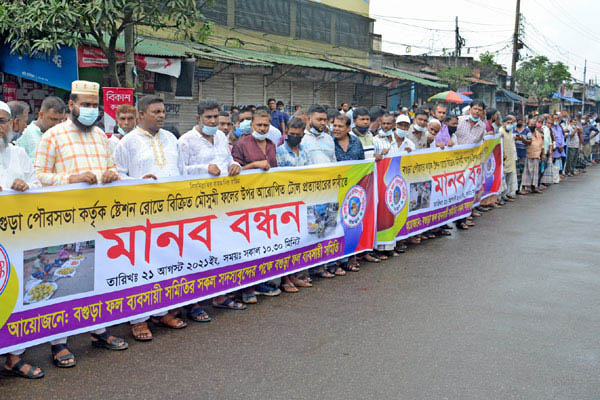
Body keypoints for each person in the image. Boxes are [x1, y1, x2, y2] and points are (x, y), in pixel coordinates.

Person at [34, 80, 127, 367]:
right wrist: (70, 179)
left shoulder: (101, 136)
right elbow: (38, 176)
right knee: (63, 279)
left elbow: (111, 168)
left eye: (94, 105)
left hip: (100, 217)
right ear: (71, 105)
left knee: (101, 274)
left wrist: (112, 175)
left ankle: (99, 330)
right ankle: (58, 342)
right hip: (65, 217)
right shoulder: (53, 136)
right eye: (85, 104)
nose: (90, 110)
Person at [114, 94, 188, 340]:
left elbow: (181, 172)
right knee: (141, 267)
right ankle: (139, 320)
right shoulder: (127, 142)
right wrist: (137, 182)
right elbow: (117, 176)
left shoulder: (171, 139)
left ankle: (162, 312)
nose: (162, 116)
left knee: (167, 263)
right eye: (156, 112)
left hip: (170, 213)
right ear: (141, 115)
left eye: (163, 112)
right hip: (141, 217)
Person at [178, 99, 246, 311]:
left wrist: (235, 165)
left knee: (220, 249)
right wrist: (204, 168)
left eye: (216, 116)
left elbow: (228, 161)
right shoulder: (185, 141)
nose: (213, 121)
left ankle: (219, 295)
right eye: (208, 117)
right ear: (198, 118)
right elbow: (180, 171)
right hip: (197, 206)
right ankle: (192, 303)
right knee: (196, 253)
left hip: (222, 204)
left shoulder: (221, 137)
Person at [0, 100, 46, 379]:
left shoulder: (18, 154)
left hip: (15, 240)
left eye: (2, 121)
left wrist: (26, 187)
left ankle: (15, 357)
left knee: (15, 297)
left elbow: (38, 186)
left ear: (11, 124)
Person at [232, 109, 282, 303]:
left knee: (264, 244)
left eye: (265, 125)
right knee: (248, 245)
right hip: (246, 203)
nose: (262, 128)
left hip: (267, 202)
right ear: (252, 125)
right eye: (259, 125)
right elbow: (233, 172)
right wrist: (254, 166)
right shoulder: (241, 144)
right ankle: (247, 288)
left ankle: (260, 282)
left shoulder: (271, 145)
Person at [275, 117, 313, 292]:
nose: (295, 137)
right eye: (292, 134)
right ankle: (285, 279)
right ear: (286, 133)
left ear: (303, 134)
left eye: (298, 134)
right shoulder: (280, 152)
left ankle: (294, 275)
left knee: (299, 241)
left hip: (303, 201)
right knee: (287, 241)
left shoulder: (305, 152)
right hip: (286, 203)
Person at [519, 123, 544, 195]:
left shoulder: (538, 133)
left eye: (533, 124)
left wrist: (543, 154)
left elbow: (541, 144)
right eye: (530, 124)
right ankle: (523, 187)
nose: (532, 125)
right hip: (528, 155)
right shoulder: (526, 132)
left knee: (535, 173)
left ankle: (534, 187)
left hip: (537, 155)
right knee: (526, 173)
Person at [499, 115, 518, 202]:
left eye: (511, 123)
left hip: (510, 157)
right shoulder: (501, 131)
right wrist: (502, 154)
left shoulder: (510, 131)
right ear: (503, 124)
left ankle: (505, 194)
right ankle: (499, 197)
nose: (510, 124)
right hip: (504, 157)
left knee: (508, 177)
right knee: (502, 178)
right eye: (508, 123)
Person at [540, 117, 555, 188]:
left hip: (546, 151)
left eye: (551, 123)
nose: (549, 125)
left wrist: (549, 150)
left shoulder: (548, 130)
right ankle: (540, 183)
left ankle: (542, 182)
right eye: (548, 123)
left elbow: (549, 141)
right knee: (541, 167)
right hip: (542, 151)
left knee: (544, 167)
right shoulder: (543, 129)